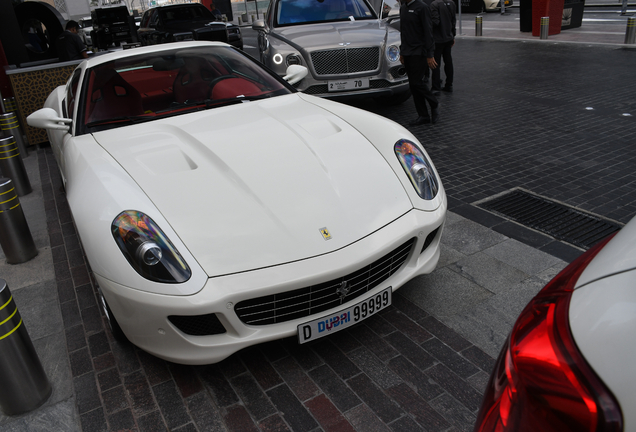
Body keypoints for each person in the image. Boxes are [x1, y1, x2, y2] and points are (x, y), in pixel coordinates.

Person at [399, 0, 440, 125]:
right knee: (413, 85)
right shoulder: (403, 8)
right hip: (407, 52)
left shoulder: (422, 8)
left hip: (419, 52)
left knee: (417, 83)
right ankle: (423, 115)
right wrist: (402, 51)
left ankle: (434, 102)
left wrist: (430, 54)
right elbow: (403, 32)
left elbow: (428, 32)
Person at [430, 0, 456, 94]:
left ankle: (436, 87)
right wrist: (453, 35)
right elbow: (453, 20)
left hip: (438, 39)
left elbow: (435, 22)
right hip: (448, 37)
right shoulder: (451, 3)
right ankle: (449, 85)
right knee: (448, 61)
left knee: (435, 63)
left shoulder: (434, 4)